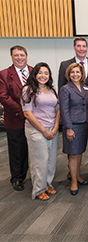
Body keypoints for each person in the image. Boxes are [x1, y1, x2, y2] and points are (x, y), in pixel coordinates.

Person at [58, 37, 88, 176]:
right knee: (73, 148)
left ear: (87, 48)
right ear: (74, 47)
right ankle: (72, 173)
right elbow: (61, 90)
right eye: (78, 46)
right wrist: (66, 123)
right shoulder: (65, 65)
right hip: (73, 117)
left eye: (84, 46)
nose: (81, 48)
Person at [20, 62, 60, 200]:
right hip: (36, 130)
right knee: (39, 160)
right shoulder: (28, 90)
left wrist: (55, 128)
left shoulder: (52, 89)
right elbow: (28, 114)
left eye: (46, 73)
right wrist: (43, 131)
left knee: (50, 160)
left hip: (52, 129)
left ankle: (48, 184)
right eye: (40, 73)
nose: (43, 76)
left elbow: (57, 109)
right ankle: (38, 189)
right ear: (35, 74)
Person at [0, 46, 31, 191]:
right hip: (16, 119)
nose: (19, 58)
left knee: (34, 149)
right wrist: (24, 112)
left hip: (36, 121)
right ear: (11, 57)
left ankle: (36, 175)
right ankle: (17, 178)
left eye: (22, 55)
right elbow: (4, 97)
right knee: (17, 151)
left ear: (26, 56)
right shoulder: (4, 74)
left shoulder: (34, 71)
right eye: (16, 55)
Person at [59, 63, 88, 196]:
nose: (75, 74)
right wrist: (69, 128)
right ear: (68, 74)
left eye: (77, 72)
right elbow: (64, 110)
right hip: (73, 125)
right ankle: (73, 182)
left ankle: (78, 176)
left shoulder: (86, 88)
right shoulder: (65, 89)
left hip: (84, 125)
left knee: (80, 152)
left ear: (82, 74)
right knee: (73, 154)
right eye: (72, 72)